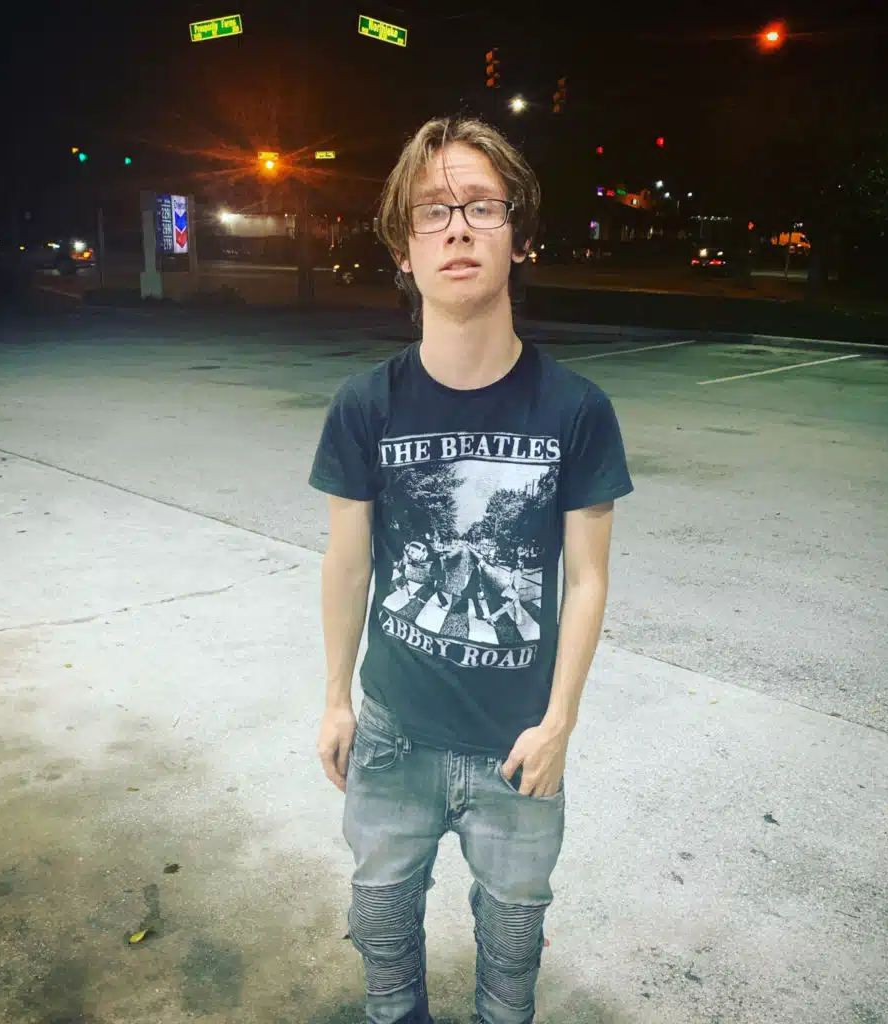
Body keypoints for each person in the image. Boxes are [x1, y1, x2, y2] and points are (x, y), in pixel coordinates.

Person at [309, 116, 633, 1024]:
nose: (457, 229)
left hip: (519, 746)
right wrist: (335, 699)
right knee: (381, 936)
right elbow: (348, 563)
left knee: (513, 956)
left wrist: (560, 722)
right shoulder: (365, 405)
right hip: (391, 737)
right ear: (403, 251)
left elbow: (588, 580)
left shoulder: (577, 409)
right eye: (432, 212)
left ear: (519, 238)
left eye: (481, 207)